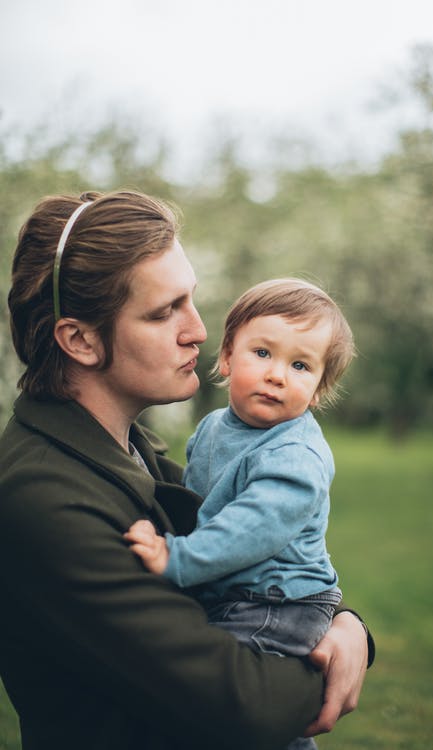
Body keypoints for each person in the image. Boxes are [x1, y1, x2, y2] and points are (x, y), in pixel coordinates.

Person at [0, 190, 374, 750]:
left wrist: (346, 623)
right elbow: (245, 707)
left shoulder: (128, 446)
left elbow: (246, 539)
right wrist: (341, 654)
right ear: (79, 339)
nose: (198, 331)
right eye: (163, 311)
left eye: (190, 300)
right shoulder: (42, 496)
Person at [125, 278, 357, 750]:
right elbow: (197, 500)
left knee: (227, 703)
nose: (277, 375)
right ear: (228, 358)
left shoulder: (296, 456)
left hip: (279, 604)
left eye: (300, 365)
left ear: (316, 391)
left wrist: (177, 558)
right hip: (236, 591)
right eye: (263, 353)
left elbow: (249, 528)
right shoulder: (214, 427)